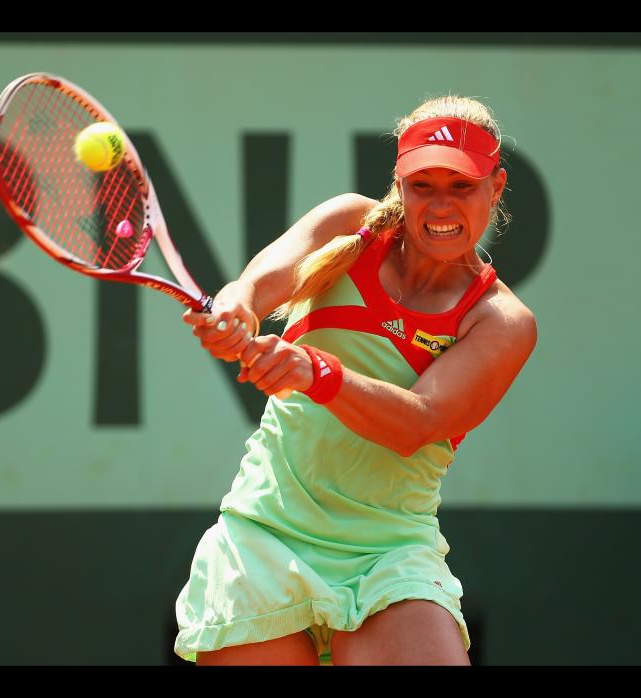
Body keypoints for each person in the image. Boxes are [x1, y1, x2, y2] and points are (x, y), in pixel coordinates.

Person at [173, 95, 538, 666]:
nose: (441, 205)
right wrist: (235, 312)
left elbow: (418, 423)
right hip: (265, 535)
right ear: (399, 182)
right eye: (423, 185)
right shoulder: (348, 223)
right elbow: (253, 287)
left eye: (461, 186)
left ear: (496, 186)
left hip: (389, 554)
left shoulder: (502, 321)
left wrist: (314, 371)